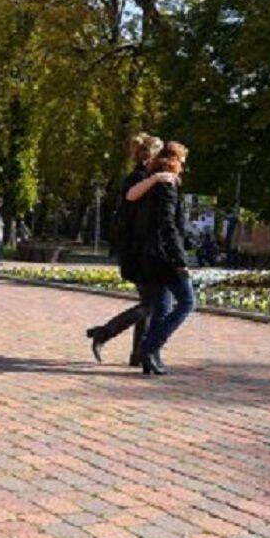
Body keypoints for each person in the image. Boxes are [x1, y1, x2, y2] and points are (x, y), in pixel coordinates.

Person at [86, 134, 178, 366]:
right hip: (137, 251)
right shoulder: (139, 178)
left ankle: (137, 354)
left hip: (138, 249)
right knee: (151, 304)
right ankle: (104, 333)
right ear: (151, 157)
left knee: (149, 302)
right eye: (161, 155)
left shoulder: (144, 177)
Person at [135, 142, 195, 376]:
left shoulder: (152, 183)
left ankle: (151, 357)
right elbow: (168, 226)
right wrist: (180, 260)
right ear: (174, 161)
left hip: (150, 254)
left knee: (162, 307)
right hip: (164, 257)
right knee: (187, 302)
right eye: (182, 163)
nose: (183, 168)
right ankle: (148, 348)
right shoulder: (167, 187)